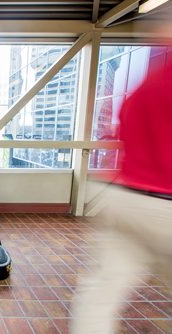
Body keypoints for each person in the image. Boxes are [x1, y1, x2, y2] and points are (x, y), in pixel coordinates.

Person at [70, 59, 172, 333]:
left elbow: (121, 131)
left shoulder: (145, 86)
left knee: (100, 296)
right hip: (166, 206)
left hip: (126, 201)